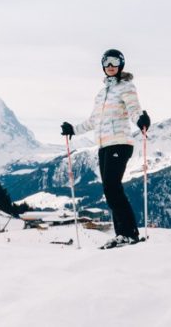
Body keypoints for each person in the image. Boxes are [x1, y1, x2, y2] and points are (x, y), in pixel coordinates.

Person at [61, 48, 150, 248]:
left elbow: (134, 110)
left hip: (120, 142)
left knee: (113, 188)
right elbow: (94, 120)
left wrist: (141, 120)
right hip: (103, 145)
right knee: (109, 190)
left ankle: (129, 234)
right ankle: (123, 235)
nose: (110, 66)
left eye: (114, 62)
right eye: (106, 62)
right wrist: (73, 129)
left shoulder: (126, 87)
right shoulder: (102, 94)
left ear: (121, 65)